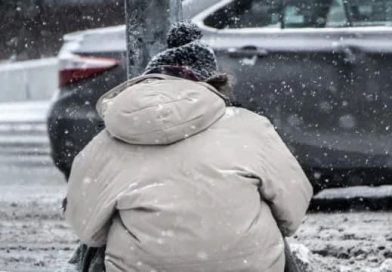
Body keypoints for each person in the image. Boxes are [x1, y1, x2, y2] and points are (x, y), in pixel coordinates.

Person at [65, 22, 313, 272]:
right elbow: (293, 211)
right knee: (272, 221)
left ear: (149, 82)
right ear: (214, 83)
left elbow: (86, 227)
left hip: (141, 266)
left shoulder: (109, 139)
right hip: (248, 266)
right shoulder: (250, 126)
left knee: (93, 245)